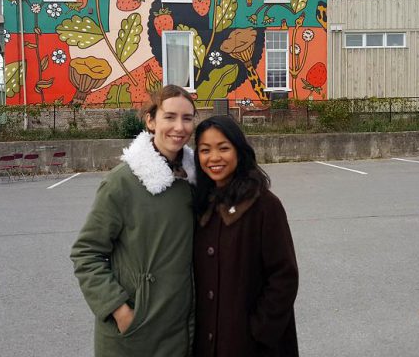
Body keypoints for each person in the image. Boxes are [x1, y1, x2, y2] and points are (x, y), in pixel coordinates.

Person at [70, 85, 197, 357]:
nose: (179, 126)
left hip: (183, 329)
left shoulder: (195, 181)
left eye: (187, 118)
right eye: (170, 116)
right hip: (136, 333)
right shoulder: (122, 182)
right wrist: (120, 310)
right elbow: (86, 253)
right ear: (151, 120)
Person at [193, 115, 299, 357]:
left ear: (239, 151)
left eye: (223, 148)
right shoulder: (201, 204)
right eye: (205, 150)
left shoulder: (264, 205)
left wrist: (259, 331)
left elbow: (284, 276)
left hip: (252, 345)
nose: (214, 158)